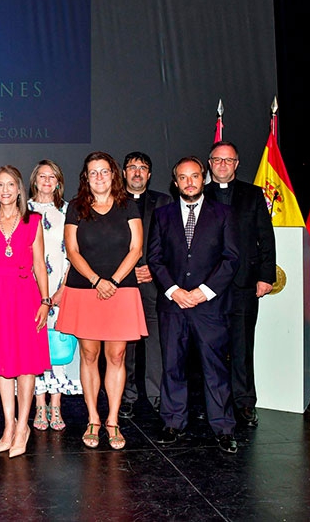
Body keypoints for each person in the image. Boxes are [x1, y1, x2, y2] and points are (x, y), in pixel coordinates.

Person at [55, 151, 147, 450]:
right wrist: (97, 280)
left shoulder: (128, 206)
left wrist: (114, 282)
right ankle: (94, 418)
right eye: (92, 172)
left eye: (104, 171)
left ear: (113, 174)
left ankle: (113, 421)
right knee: (90, 356)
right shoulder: (76, 208)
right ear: (86, 177)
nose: (99, 177)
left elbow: (135, 249)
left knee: (117, 357)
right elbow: (73, 250)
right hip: (85, 290)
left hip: (122, 291)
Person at [149, 157, 240, 453]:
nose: (189, 182)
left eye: (195, 176)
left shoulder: (223, 213)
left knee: (215, 369)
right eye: (183, 178)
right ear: (175, 183)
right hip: (173, 305)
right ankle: (173, 423)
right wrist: (175, 291)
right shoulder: (162, 215)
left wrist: (204, 291)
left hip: (210, 307)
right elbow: (155, 258)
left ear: (204, 179)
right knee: (173, 366)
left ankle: (224, 428)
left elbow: (231, 258)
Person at [0, 165, 52, 458]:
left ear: (19, 189)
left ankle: (23, 429)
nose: (5, 190)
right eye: (0, 185)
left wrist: (45, 301)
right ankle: (9, 424)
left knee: (26, 364)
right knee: (1, 364)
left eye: (10, 185)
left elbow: (40, 265)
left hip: (25, 298)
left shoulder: (33, 221)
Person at [204, 141, 276, 428]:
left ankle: (244, 402)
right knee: (209, 348)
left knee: (243, 345)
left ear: (236, 164)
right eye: (217, 160)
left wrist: (266, 275)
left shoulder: (253, 194)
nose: (222, 165)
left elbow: (265, 236)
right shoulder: (200, 195)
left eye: (228, 160)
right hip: (206, 285)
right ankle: (212, 402)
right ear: (209, 163)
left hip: (244, 283)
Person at [120, 152, 173, 418]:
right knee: (124, 344)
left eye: (143, 168)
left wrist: (152, 269)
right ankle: (127, 395)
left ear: (149, 174)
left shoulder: (164, 202)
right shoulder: (113, 202)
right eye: (132, 167)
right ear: (124, 173)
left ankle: (155, 395)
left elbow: (171, 241)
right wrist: (129, 272)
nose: (137, 172)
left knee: (156, 342)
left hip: (154, 282)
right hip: (123, 283)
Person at [27, 159, 79, 432]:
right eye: (42, 176)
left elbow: (74, 254)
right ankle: (38, 406)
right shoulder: (23, 210)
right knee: (35, 347)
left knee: (58, 346)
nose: (47, 181)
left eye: (52, 177)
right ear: (34, 180)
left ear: (59, 182)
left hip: (61, 289)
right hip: (29, 291)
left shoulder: (69, 211)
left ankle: (56, 406)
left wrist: (62, 289)